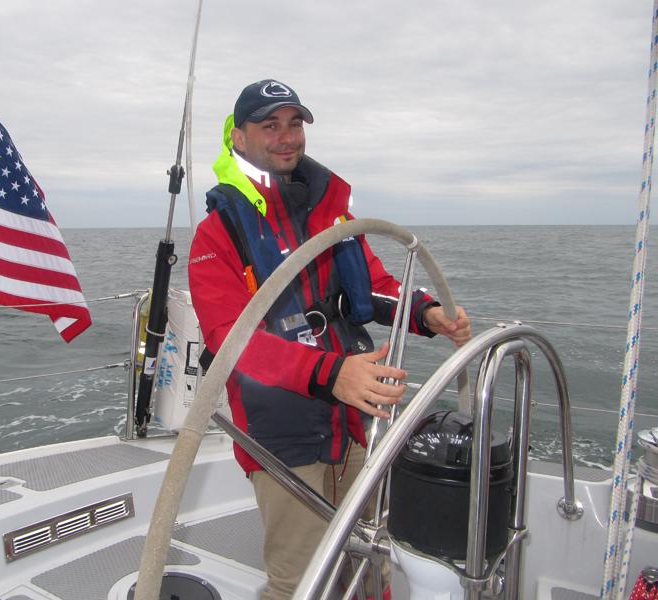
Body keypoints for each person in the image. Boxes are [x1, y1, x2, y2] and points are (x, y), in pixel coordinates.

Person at [188, 79, 471, 600]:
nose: (286, 136)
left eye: (294, 123)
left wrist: (426, 314)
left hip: (352, 420)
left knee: (367, 565)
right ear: (240, 139)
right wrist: (331, 374)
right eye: (269, 125)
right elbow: (230, 340)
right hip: (280, 436)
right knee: (302, 581)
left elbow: (376, 287)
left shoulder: (331, 216)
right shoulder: (216, 234)